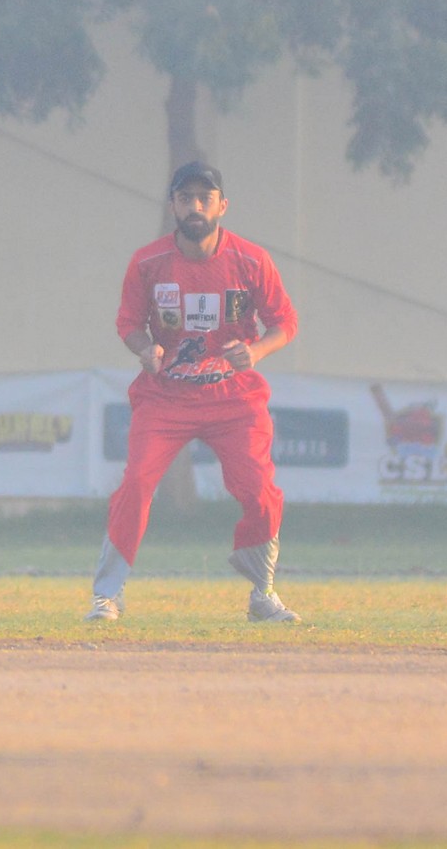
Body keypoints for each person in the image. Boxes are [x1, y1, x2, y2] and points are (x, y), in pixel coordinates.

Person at [86, 162, 301, 624]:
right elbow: (128, 323)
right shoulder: (148, 262)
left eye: (206, 198)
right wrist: (145, 349)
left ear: (223, 206)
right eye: (186, 198)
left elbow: (285, 322)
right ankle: (107, 595)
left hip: (234, 397)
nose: (195, 206)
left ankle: (263, 593)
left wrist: (255, 351)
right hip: (165, 397)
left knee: (260, 490)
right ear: (173, 207)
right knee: (136, 483)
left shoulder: (251, 260)